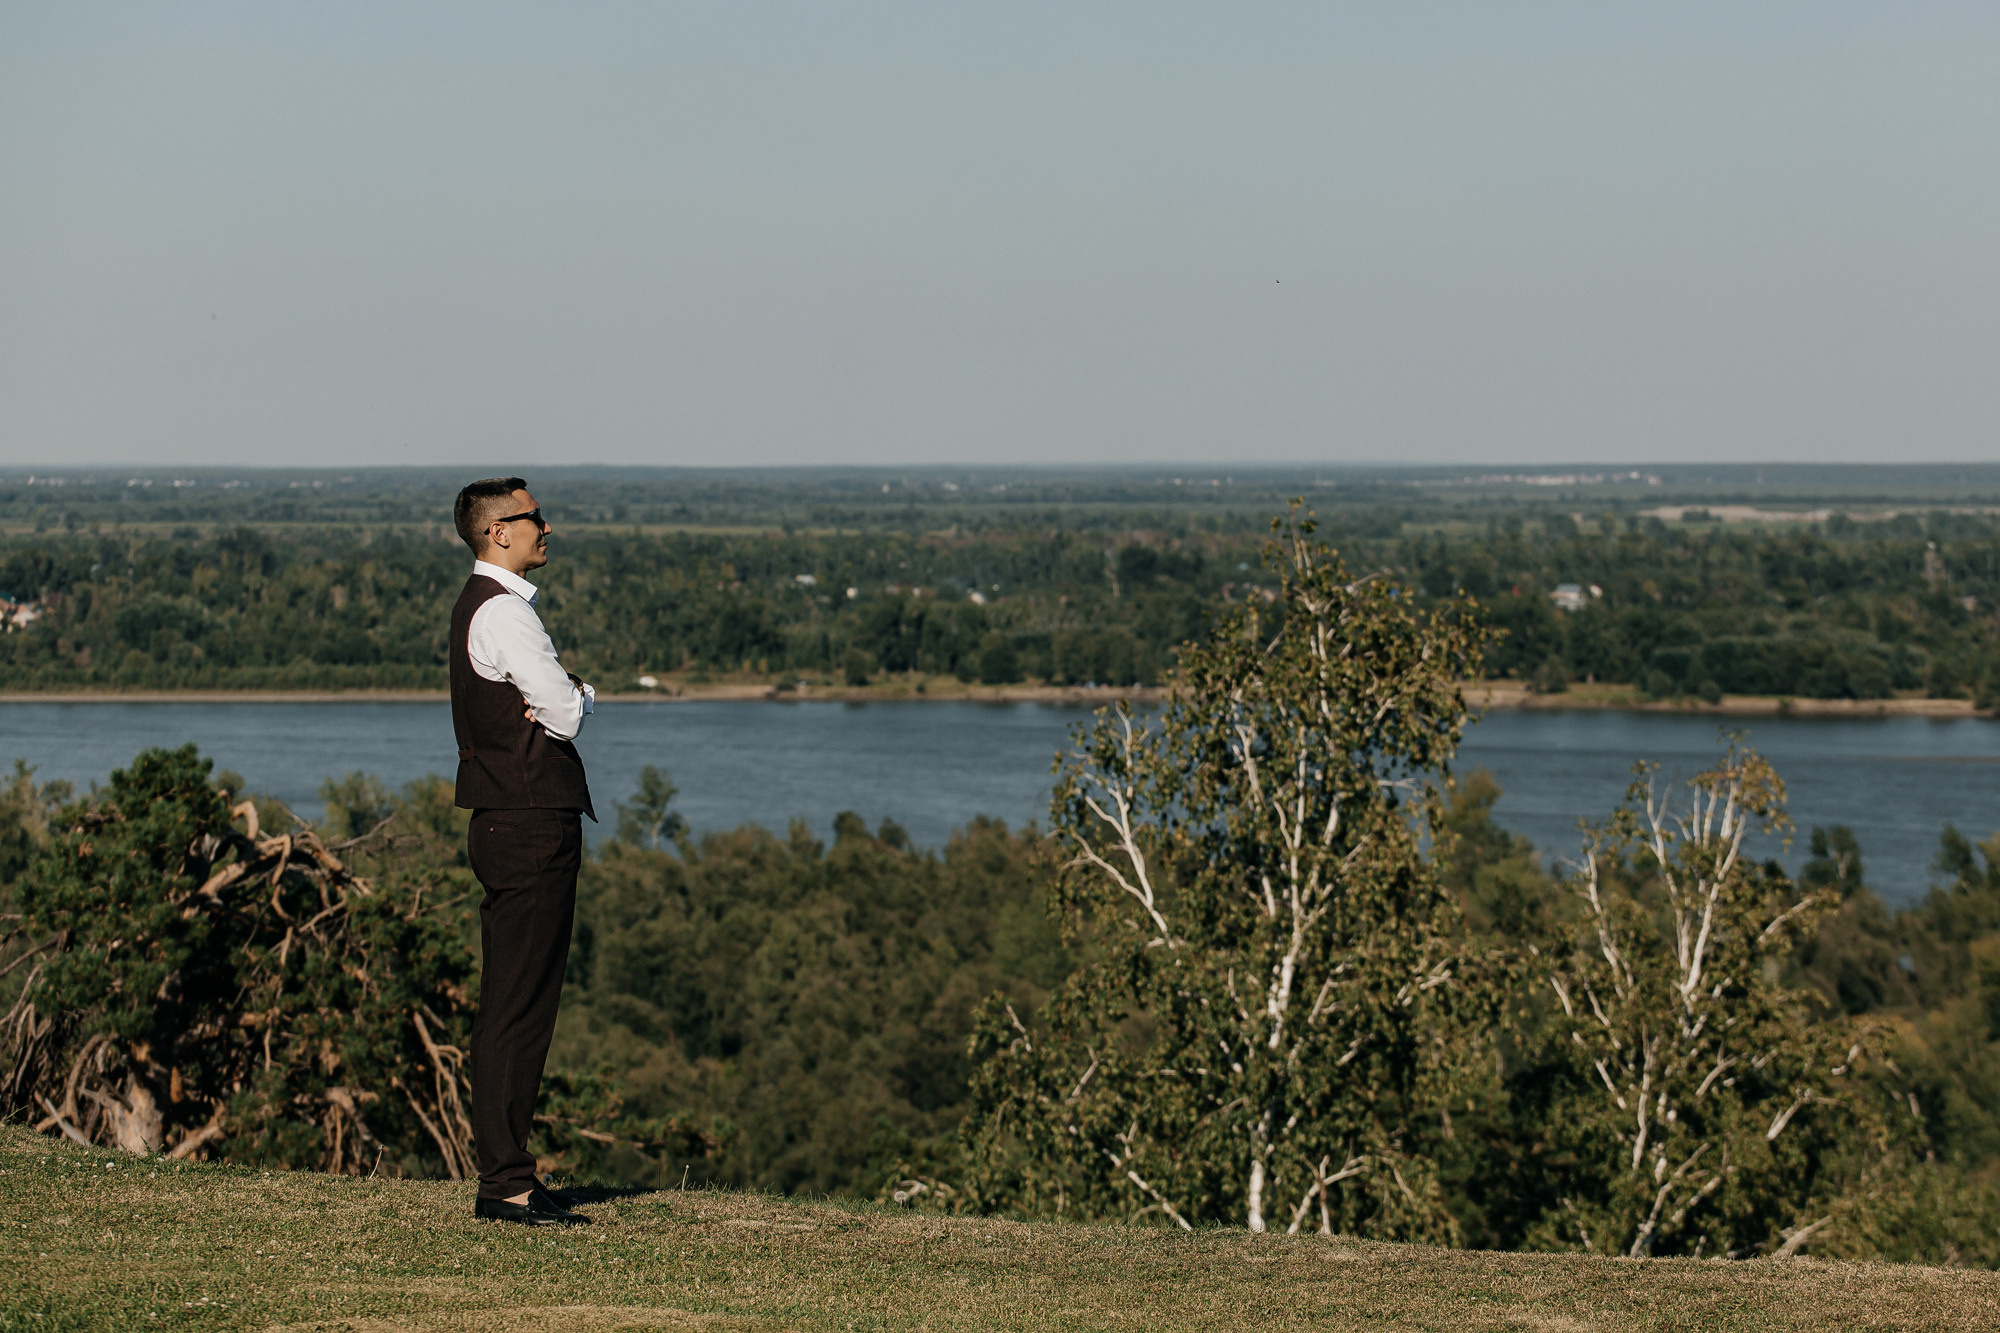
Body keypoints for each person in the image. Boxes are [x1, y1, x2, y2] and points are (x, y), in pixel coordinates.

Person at [449, 477, 597, 1226]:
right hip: (530, 823)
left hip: (507, 819)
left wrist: (561, 695)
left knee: (514, 1000)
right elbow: (565, 713)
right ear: (498, 531)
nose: (548, 526)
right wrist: (580, 693)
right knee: (519, 1004)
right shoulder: (505, 613)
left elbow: (553, 706)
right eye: (535, 516)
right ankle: (505, 1180)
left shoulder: (480, 608)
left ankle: (508, 1174)